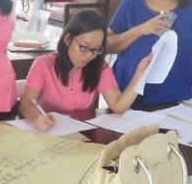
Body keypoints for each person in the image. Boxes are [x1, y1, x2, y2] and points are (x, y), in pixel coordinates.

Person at [20, 10, 153, 128]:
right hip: (47, 134)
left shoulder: (100, 68)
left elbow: (118, 106)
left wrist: (140, 75)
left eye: (96, 49)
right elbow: (27, 101)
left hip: (81, 135)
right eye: (84, 47)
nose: (89, 55)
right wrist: (37, 117)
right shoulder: (43, 65)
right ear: (67, 39)